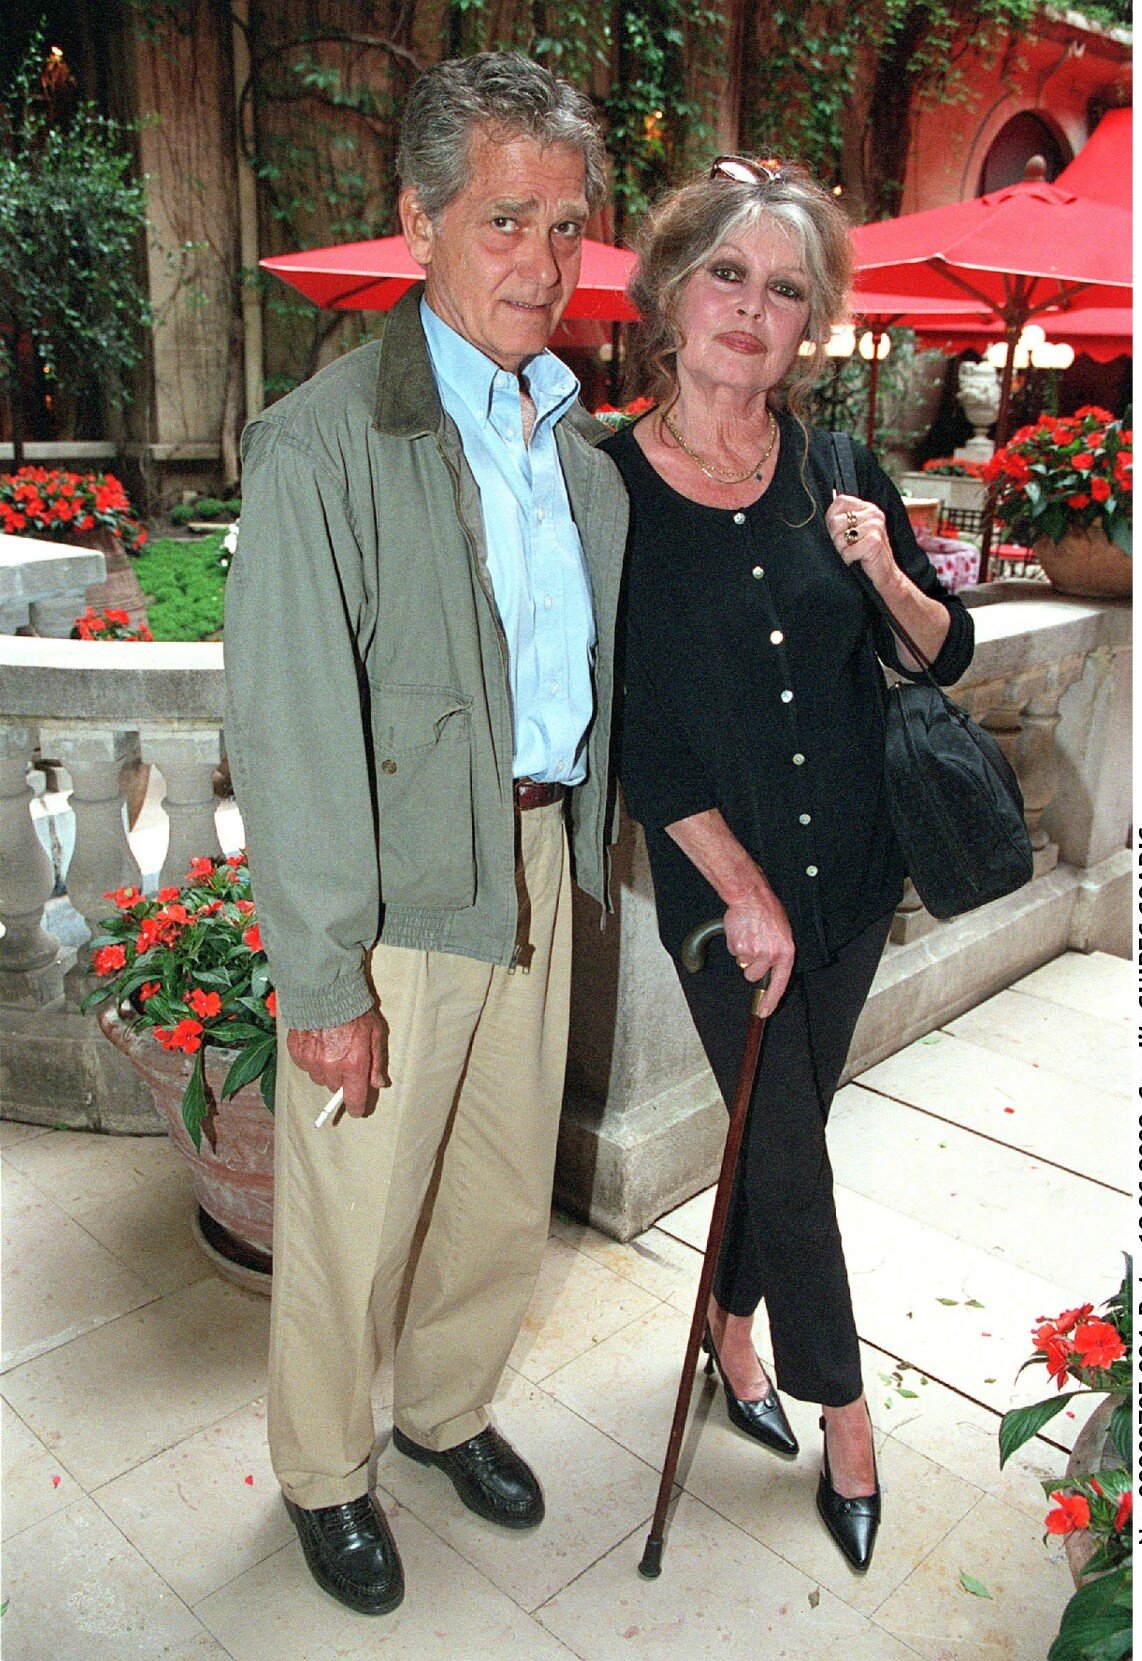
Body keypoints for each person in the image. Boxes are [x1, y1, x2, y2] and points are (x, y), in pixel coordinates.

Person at [223, 52, 628, 1616]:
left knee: (499, 1176)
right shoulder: (323, 440)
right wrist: (322, 977)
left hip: (533, 854)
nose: (541, 261)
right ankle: (328, 1471)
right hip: (391, 885)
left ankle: (445, 1408)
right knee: (356, 1207)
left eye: (566, 226)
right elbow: (291, 726)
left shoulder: (567, 440)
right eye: (505, 220)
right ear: (420, 221)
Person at [605, 158, 974, 1574]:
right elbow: (620, 712)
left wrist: (883, 567)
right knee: (795, 1151)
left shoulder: (837, 468)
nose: (752, 311)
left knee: (781, 1127)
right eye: (728, 276)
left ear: (809, 324)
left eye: (785, 290)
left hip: (858, 877)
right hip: (725, 899)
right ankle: (849, 1414)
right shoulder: (608, 485)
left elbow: (944, 650)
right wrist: (735, 881)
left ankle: (728, 1324)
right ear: (672, 291)